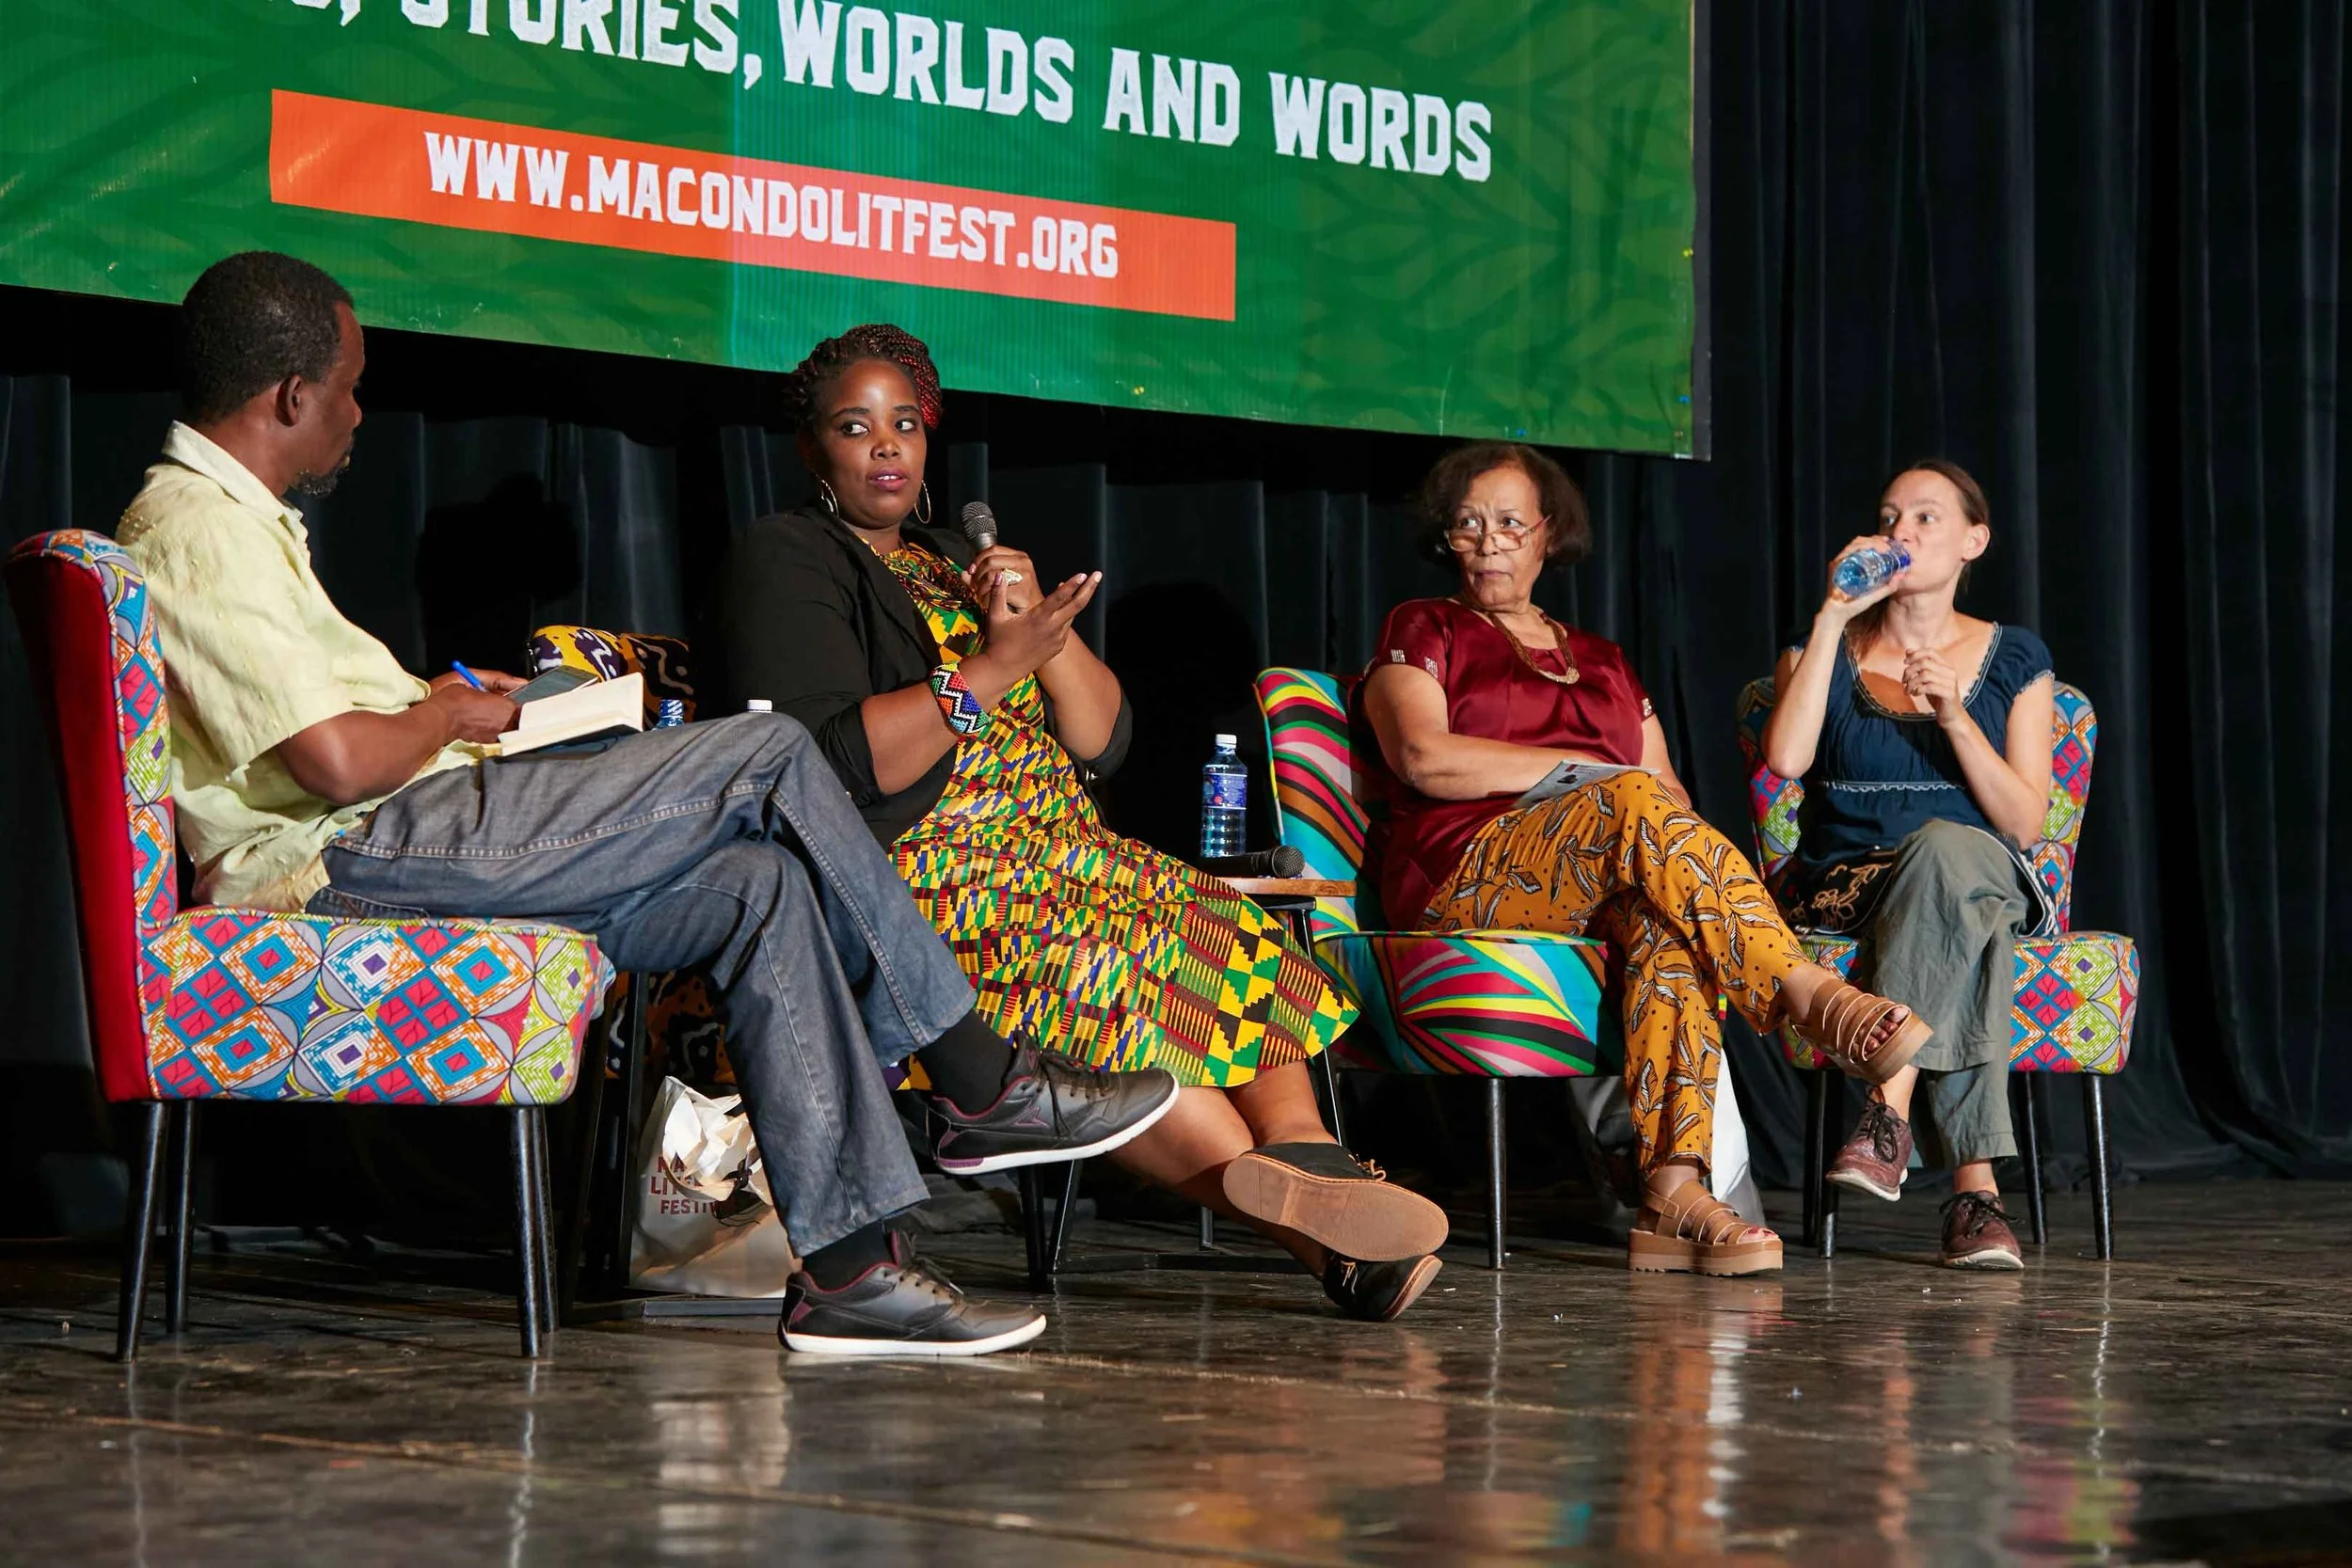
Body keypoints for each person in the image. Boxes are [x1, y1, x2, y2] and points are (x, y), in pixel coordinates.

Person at [117, 251, 1183, 1356]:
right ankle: (977, 1077)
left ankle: (851, 1270)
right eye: (348, 384)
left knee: (759, 887)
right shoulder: (198, 526)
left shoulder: (237, 521)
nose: (355, 409)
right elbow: (337, 764)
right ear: (291, 396)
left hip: (401, 825)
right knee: (767, 751)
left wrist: (436, 704)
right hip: (345, 856)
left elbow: (325, 729)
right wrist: (445, 718)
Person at [716, 325, 1452, 1323]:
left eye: (904, 425)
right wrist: (995, 665)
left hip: (1066, 851)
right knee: (1122, 1001)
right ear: (814, 450)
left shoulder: (952, 561)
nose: (886, 446)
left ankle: (1303, 1163)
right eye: (855, 427)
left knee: (1212, 919)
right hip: (937, 878)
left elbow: (1103, 741)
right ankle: (1323, 1235)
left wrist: (1036, 628)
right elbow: (826, 762)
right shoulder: (790, 554)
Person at [1357, 441, 1935, 1276]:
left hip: (1599, 879)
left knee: (1669, 924)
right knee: (1629, 801)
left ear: (1549, 534)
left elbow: (1671, 803)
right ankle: (1810, 994)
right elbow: (1422, 756)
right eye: (1468, 524)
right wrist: (1595, 781)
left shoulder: (1606, 662)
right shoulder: (1425, 624)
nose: (1487, 540)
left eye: (1510, 522)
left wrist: (1623, 794)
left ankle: (1672, 1192)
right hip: (1467, 874)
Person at [1758, 460, 2055, 1270]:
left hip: (1979, 863)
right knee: (1976, 922)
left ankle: (1886, 1104)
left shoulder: (2016, 657)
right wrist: (1831, 615)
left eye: (1927, 518)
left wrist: (1956, 718)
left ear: (1973, 540)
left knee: (1953, 855)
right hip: (1850, 880)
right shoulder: (1824, 645)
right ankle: (1976, 1193)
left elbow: (2026, 821)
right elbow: (1786, 759)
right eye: (1892, 517)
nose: (1903, 532)